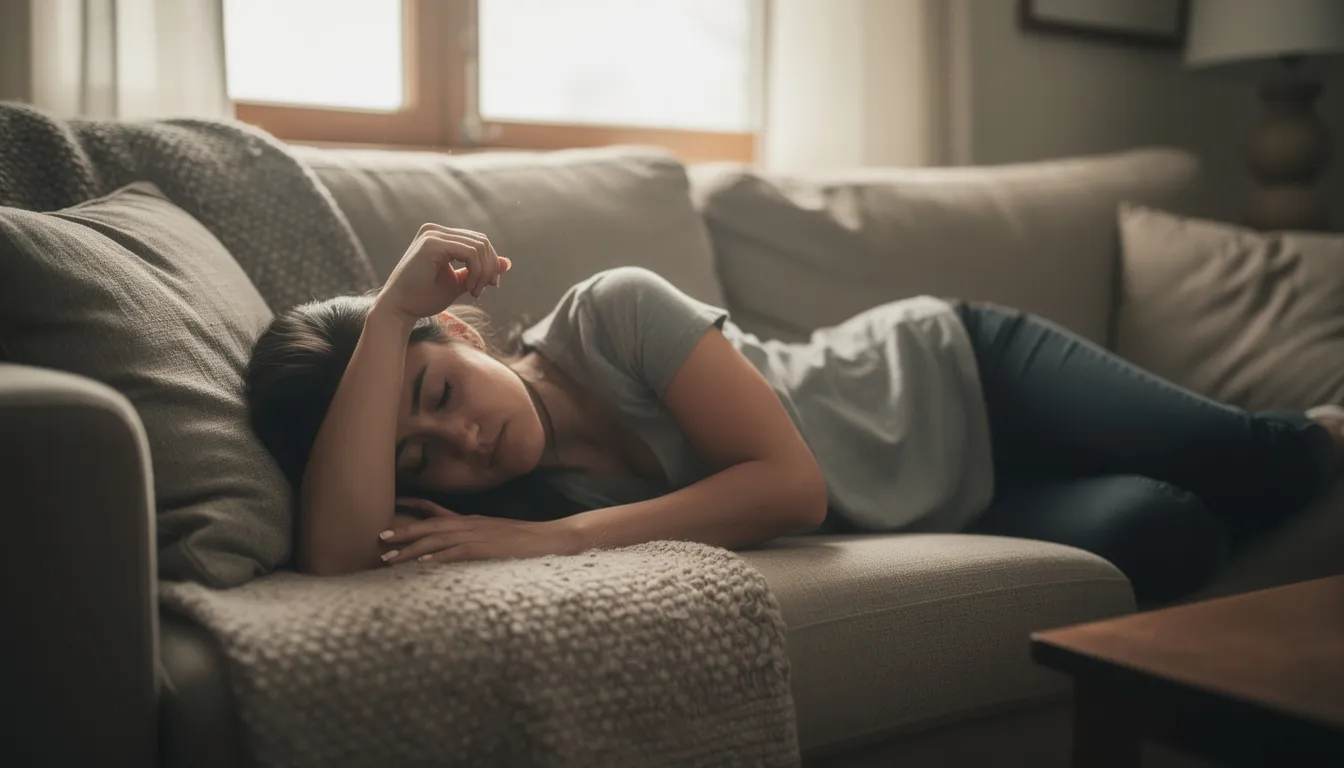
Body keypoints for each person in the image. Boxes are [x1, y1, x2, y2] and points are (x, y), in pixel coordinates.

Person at [245, 224, 1344, 601]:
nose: (462, 444)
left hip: (960, 373)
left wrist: (544, 541)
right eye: (417, 459)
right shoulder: (500, 494)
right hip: (953, 500)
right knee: (1160, 535)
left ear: (471, 334)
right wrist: (388, 322)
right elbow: (339, 561)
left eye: (438, 394)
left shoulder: (613, 314)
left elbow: (793, 490)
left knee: (1252, 456)